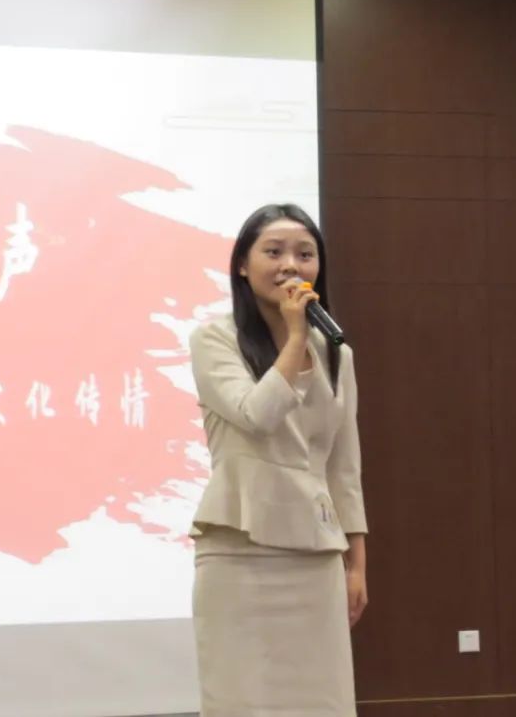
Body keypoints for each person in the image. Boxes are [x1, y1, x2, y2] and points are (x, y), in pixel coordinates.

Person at [189, 203, 368, 717]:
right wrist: (295, 338)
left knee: (323, 702)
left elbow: (343, 465)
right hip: (240, 549)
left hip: (316, 550)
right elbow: (257, 415)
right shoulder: (214, 339)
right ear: (243, 266)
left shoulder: (337, 353)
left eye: (305, 254)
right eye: (274, 252)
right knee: (245, 701)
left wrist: (357, 563)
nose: (291, 264)